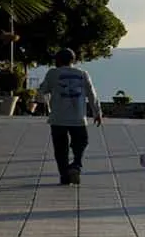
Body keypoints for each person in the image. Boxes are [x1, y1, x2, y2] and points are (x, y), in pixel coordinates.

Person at [38, 48, 101, 185]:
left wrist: (47, 105)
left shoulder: (52, 73)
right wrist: (97, 113)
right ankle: (76, 165)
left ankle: (64, 176)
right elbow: (92, 94)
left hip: (58, 118)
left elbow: (42, 91)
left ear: (58, 60)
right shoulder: (83, 74)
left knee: (60, 148)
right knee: (82, 142)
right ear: (73, 60)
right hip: (78, 118)